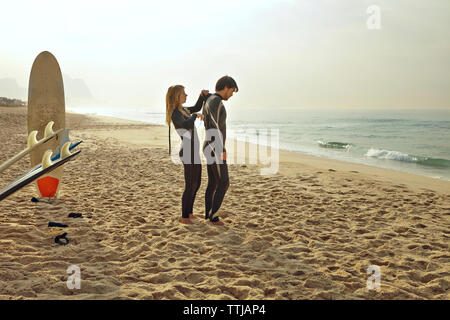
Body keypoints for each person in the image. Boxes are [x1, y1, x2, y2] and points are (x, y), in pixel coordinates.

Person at [166, 85, 209, 224]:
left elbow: (196, 107)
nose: (186, 95)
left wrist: (202, 96)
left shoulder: (183, 110)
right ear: (176, 96)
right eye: (184, 93)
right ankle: (184, 216)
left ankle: (189, 212)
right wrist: (195, 116)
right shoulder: (175, 113)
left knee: (196, 184)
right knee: (190, 185)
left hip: (194, 152)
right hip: (187, 153)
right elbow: (185, 124)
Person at [202, 76, 238, 226]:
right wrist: (221, 148)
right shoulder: (216, 101)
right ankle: (213, 216)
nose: (231, 94)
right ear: (225, 87)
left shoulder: (210, 99)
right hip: (214, 146)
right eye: (231, 91)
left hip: (209, 145)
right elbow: (216, 124)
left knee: (214, 182)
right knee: (224, 182)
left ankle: (208, 214)